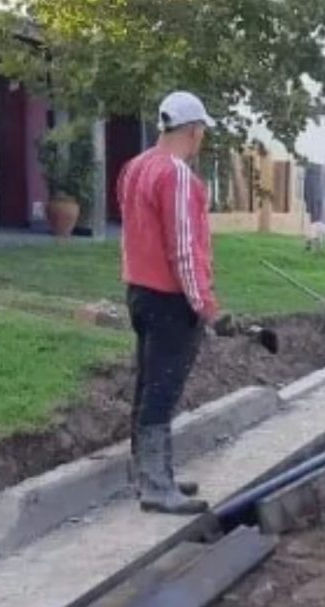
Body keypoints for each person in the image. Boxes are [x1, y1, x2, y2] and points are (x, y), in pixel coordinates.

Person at [118, 91, 220, 514]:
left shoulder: (135, 168)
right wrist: (204, 305)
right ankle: (157, 487)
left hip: (140, 293)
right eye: (201, 133)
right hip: (170, 297)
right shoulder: (176, 175)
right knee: (163, 390)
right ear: (193, 131)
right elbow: (183, 247)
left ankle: (152, 478)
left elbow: (132, 233)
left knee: (148, 385)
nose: (201, 141)